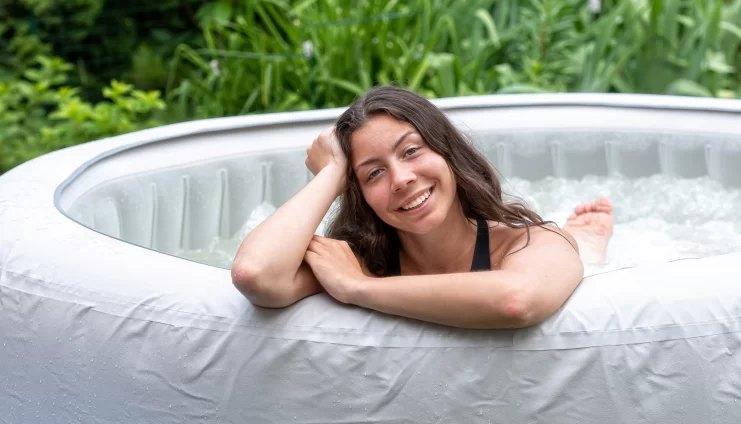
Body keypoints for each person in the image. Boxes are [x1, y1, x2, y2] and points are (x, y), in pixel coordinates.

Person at [231, 86, 614, 329]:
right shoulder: (360, 259)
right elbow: (256, 274)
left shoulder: (524, 242)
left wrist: (358, 288)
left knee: (576, 249)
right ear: (359, 194)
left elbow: (518, 299)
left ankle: (585, 239)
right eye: (374, 173)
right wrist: (331, 174)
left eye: (411, 151)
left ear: (447, 151)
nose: (401, 179)